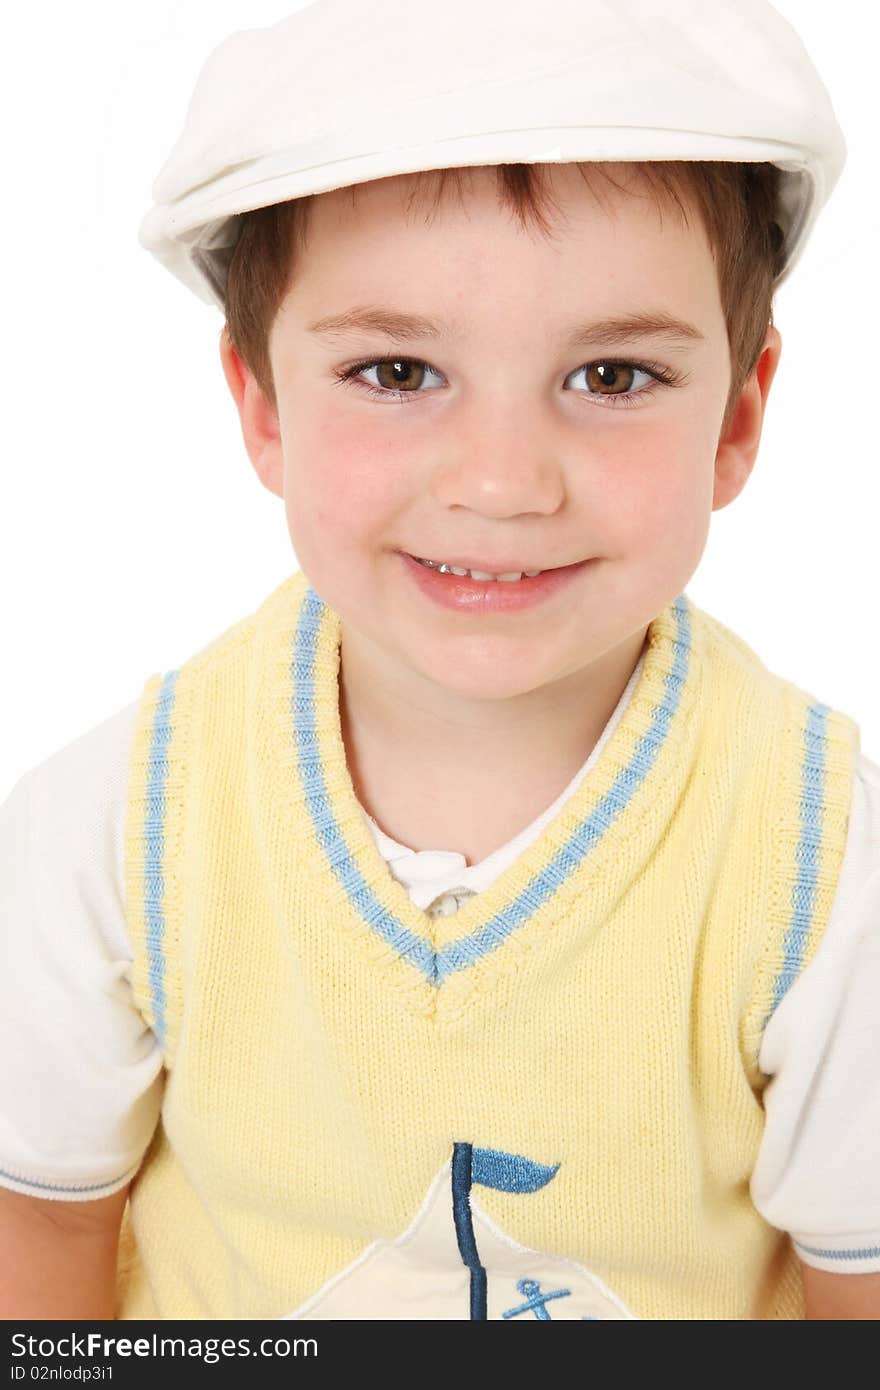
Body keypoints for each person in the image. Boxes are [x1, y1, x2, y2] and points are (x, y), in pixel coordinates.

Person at [1, 0, 878, 1321]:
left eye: (615, 376)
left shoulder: (819, 862)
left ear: (739, 417)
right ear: (261, 406)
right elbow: (42, 1223)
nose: (502, 481)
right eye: (400, 369)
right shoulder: (124, 825)